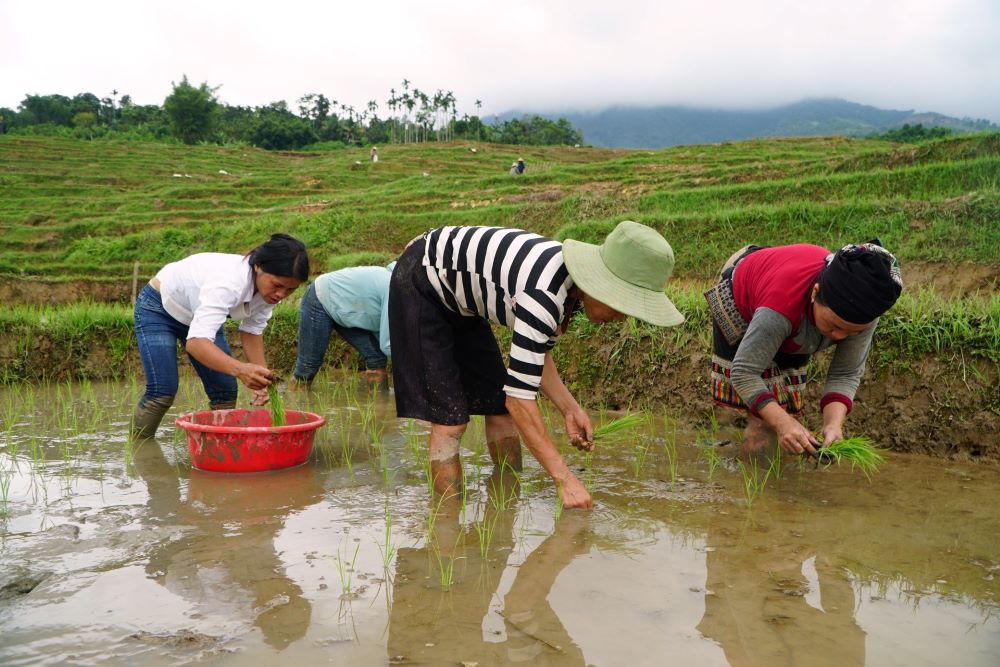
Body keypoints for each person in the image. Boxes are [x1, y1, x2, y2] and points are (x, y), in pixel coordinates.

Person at [388, 221, 684, 509]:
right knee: (451, 421)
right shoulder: (543, 296)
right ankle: (446, 525)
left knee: (499, 411)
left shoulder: (568, 290)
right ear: (600, 284)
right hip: (422, 280)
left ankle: (505, 503)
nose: (622, 318)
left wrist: (570, 409)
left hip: (461, 299)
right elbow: (519, 400)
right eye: (622, 305)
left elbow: (537, 356)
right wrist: (565, 480)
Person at [705, 241, 902, 458]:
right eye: (834, 326)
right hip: (744, 295)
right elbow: (744, 373)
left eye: (852, 333)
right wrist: (781, 423)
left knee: (785, 411)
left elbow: (845, 373)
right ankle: (740, 475)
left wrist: (833, 424)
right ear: (815, 293)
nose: (839, 337)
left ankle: (766, 472)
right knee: (763, 424)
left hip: (791, 312)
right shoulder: (780, 308)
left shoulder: (864, 313)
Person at [131, 233, 310, 438]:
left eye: (290, 289)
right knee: (162, 391)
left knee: (225, 389)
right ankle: (138, 450)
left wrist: (262, 378)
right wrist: (241, 369)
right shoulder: (228, 283)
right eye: (277, 285)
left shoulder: (268, 293)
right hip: (159, 308)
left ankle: (220, 448)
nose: (281, 295)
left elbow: (252, 331)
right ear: (258, 266)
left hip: (201, 315)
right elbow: (197, 344)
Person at [291, 263, 395, 388]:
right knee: (307, 367)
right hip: (321, 297)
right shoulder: (394, 288)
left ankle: (379, 404)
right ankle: (295, 401)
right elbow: (388, 344)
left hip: (350, 309)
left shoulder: (409, 291)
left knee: (376, 358)